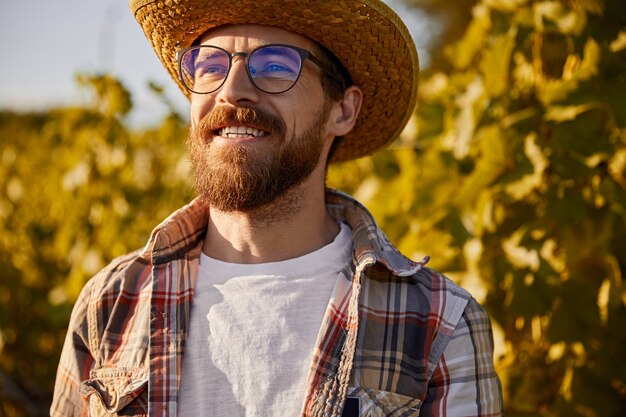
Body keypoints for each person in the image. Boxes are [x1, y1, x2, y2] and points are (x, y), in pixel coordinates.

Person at [51, 0, 503, 416]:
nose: (232, 91)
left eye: (274, 65)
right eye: (210, 65)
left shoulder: (438, 325)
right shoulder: (109, 303)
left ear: (342, 111)